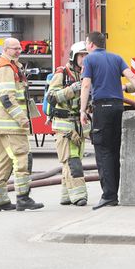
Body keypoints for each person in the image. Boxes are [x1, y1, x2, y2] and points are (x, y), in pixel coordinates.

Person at [78, 31, 135, 210]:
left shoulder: (89, 60)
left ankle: (108, 195)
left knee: (103, 151)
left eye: (86, 44)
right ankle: (113, 194)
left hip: (102, 108)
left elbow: (85, 85)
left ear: (91, 45)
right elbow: (132, 77)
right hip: (118, 107)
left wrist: (82, 110)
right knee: (114, 150)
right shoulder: (116, 58)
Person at [0, 38, 43, 212]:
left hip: (2, 124)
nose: (18, 51)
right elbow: (6, 98)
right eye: (14, 49)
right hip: (10, 125)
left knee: (4, 162)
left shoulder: (8, 66)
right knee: (23, 158)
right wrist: (22, 118)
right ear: (5, 49)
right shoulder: (6, 68)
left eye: (19, 48)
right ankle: (23, 198)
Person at [47, 42, 89, 206]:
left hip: (78, 127)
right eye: (81, 56)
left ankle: (66, 195)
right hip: (64, 127)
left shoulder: (85, 74)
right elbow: (51, 97)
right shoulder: (62, 73)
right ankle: (79, 196)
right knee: (73, 162)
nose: (84, 59)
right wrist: (71, 89)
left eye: (87, 55)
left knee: (72, 161)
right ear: (74, 57)